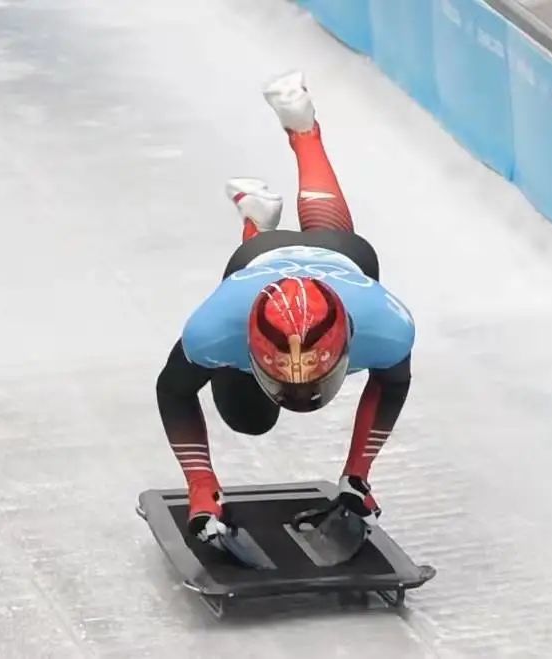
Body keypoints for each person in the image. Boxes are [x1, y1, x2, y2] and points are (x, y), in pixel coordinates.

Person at [155, 70, 415, 548]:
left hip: (339, 264)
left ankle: (285, 168)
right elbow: (172, 392)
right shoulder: (214, 328)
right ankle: (283, 171)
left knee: (337, 242)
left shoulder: (385, 323)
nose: (301, 387)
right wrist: (201, 489)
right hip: (259, 263)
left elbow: (173, 393)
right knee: (250, 418)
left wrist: (357, 476)